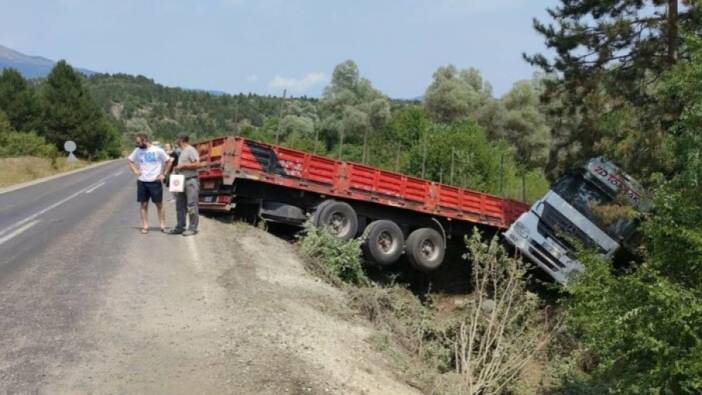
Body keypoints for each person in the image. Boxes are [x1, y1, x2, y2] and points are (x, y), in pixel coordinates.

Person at [127, 132, 173, 234]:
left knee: (159, 204)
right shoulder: (137, 150)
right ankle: (145, 226)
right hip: (142, 182)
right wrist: (135, 171)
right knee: (143, 204)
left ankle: (162, 225)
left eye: (139, 142)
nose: (137, 144)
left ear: (145, 140)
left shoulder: (157, 150)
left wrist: (164, 174)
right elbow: (130, 161)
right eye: (136, 142)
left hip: (155, 182)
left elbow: (169, 161)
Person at [168, 133, 201, 236]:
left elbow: (197, 164)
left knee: (191, 205)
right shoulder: (181, 151)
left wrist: (183, 165)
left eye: (177, 138)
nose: (175, 140)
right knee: (180, 205)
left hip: (190, 180)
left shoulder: (190, 150)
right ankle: (180, 227)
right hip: (181, 181)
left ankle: (192, 228)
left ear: (181, 139)